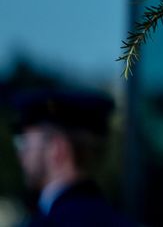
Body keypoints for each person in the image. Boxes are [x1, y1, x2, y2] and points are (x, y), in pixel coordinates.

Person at [12, 90, 134, 227]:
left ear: (56, 149)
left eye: (24, 143)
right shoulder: (118, 220)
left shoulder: (49, 222)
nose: (20, 155)